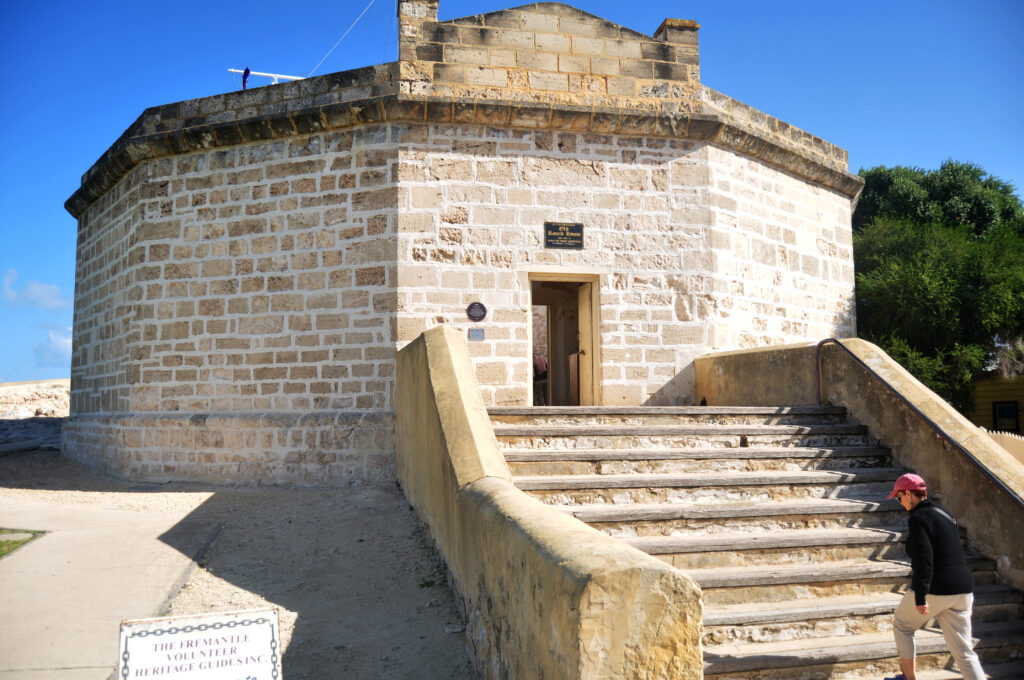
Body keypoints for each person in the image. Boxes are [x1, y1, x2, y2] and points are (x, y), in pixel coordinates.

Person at [888, 473, 986, 680]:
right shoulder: (945, 513)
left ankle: (909, 678)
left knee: (902, 626)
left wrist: (920, 596)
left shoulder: (918, 519)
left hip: (937, 588)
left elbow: (924, 560)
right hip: (963, 589)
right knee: (964, 651)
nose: (900, 502)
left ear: (908, 493)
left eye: (900, 497)